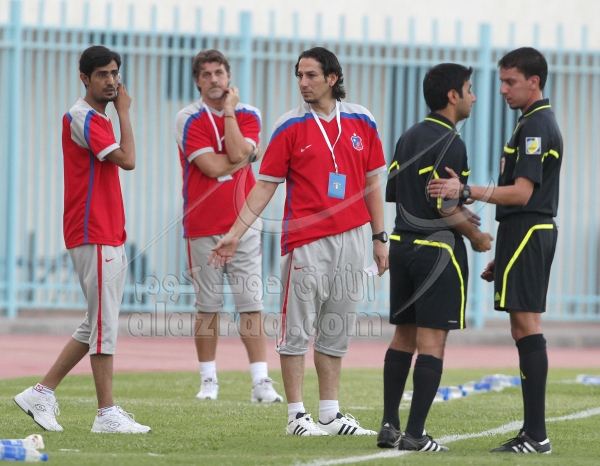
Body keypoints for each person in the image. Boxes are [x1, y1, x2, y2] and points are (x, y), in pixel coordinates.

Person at [208, 47, 389, 436]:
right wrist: (234, 234)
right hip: (307, 240)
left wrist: (380, 237)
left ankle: (330, 414)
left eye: (311, 75)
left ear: (332, 78)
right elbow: (264, 187)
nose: (303, 83)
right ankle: (295, 416)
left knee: (336, 327)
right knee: (297, 330)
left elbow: (372, 183)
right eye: (299, 76)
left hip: (354, 238)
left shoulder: (362, 119)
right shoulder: (289, 125)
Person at [428, 47, 561, 454]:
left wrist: (466, 189)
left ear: (533, 82)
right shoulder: (528, 123)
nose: (502, 89)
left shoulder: (536, 126)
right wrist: (504, 256)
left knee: (527, 326)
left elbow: (522, 194)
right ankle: (533, 432)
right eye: (501, 81)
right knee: (522, 327)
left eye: (510, 82)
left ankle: (536, 435)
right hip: (519, 233)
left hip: (529, 229)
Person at [13, 46, 150, 434]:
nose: (111, 81)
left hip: (105, 230)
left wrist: (117, 113)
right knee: (104, 326)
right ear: (84, 78)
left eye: (115, 73)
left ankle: (41, 393)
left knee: (96, 324)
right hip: (93, 230)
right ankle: (106, 413)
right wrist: (125, 112)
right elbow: (128, 160)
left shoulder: (97, 117)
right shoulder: (82, 116)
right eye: (103, 74)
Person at [379, 64, 493, 452]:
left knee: (403, 336)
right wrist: (476, 236)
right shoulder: (452, 142)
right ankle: (415, 435)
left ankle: (389, 425)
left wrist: (456, 207)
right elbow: (444, 206)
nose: (474, 97)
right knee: (431, 344)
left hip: (402, 246)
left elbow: (398, 192)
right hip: (437, 253)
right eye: (469, 89)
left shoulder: (409, 135)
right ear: (452, 96)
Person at [174, 49, 282, 403]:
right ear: (197, 81)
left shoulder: (248, 113)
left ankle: (261, 382)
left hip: (244, 223)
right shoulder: (188, 117)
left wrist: (231, 113)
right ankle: (208, 380)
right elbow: (212, 167)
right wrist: (243, 157)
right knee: (208, 306)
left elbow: (235, 154)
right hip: (203, 224)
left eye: (219, 72)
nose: (213, 79)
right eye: (205, 74)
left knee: (251, 303)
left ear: (229, 75)